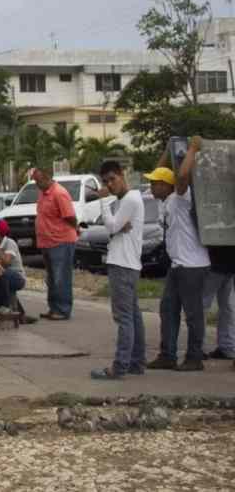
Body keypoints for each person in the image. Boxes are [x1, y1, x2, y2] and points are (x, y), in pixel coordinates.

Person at [147, 140, 209, 372]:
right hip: (178, 265)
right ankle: (168, 355)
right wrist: (168, 150)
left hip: (193, 265)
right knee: (168, 310)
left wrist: (192, 149)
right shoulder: (165, 201)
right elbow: (160, 171)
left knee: (193, 314)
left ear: (166, 186)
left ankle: (194, 358)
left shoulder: (182, 198)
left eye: (155, 183)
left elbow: (182, 177)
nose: (151, 187)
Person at [90, 159, 146, 380]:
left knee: (124, 318)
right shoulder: (127, 200)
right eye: (106, 182)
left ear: (122, 175)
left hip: (122, 264)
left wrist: (104, 202)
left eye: (112, 179)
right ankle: (136, 362)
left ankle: (120, 366)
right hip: (128, 263)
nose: (110, 185)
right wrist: (117, 226)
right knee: (133, 316)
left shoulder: (130, 199)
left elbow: (112, 226)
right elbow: (116, 227)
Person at [30, 166, 78, 321]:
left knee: (61, 277)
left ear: (47, 177)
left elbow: (70, 217)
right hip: (47, 242)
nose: (36, 184)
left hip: (61, 241)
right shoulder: (43, 194)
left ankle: (62, 309)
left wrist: (76, 228)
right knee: (52, 278)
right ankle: (54, 308)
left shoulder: (59, 193)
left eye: (38, 180)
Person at [0, 219, 27, 316]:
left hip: (17, 277)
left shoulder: (10, 243)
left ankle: (5, 306)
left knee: (3, 272)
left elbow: (6, 263)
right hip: (0, 275)